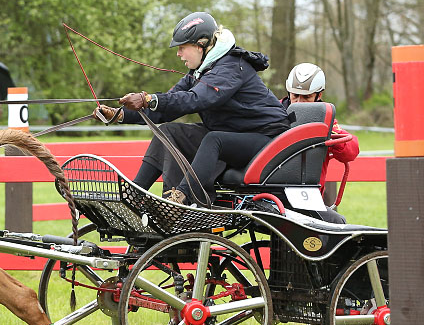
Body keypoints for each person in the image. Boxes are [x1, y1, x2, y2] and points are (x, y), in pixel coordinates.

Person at [97, 11, 291, 205]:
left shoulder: (230, 66)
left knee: (214, 139)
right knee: (166, 131)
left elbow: (198, 99)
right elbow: (169, 105)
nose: (178, 54)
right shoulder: (200, 71)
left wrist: (149, 98)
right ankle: (133, 196)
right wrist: (119, 115)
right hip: (233, 133)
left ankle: (182, 200)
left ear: (201, 45)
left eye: (182, 48)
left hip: (269, 140)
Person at [282, 62, 360, 217]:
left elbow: (351, 151)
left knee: (337, 224)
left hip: (307, 196)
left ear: (319, 95)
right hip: (276, 193)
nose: (299, 102)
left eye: (306, 97)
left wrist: (328, 132)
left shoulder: (326, 119)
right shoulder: (274, 112)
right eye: (295, 95)